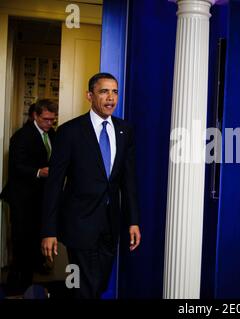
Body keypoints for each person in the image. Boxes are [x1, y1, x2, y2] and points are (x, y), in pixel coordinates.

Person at [40, 72, 141, 299]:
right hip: (79, 224)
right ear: (89, 95)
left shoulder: (125, 131)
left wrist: (133, 220)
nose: (111, 98)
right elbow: (54, 185)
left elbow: (129, 181)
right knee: (83, 288)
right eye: (104, 91)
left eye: (115, 92)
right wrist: (48, 230)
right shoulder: (69, 132)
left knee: (98, 285)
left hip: (110, 226)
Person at [5, 99, 57, 295]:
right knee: (21, 241)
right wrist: (38, 172)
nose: (49, 123)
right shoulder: (21, 136)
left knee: (37, 235)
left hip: (40, 197)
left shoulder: (52, 133)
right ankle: (16, 285)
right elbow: (17, 166)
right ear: (35, 116)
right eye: (46, 119)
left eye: (52, 120)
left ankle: (35, 268)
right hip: (22, 198)